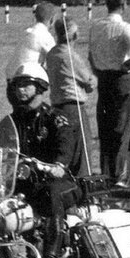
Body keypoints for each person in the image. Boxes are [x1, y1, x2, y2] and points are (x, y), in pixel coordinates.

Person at [0, 61, 81, 258]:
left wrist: (59, 165)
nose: (21, 90)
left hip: (59, 182)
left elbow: (66, 146)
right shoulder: (11, 121)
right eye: (18, 85)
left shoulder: (56, 118)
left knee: (51, 194)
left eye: (27, 85)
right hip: (25, 182)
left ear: (40, 87)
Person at [87, 0, 130, 188]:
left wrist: (96, 70)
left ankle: (106, 171)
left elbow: (90, 55)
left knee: (105, 125)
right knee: (122, 126)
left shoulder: (96, 26)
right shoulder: (125, 27)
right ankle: (117, 173)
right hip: (122, 78)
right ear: (123, 6)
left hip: (104, 77)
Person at [44, 14, 96, 176]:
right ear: (74, 35)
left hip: (56, 107)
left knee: (65, 150)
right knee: (81, 154)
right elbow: (89, 82)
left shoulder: (51, 54)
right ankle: (83, 185)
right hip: (73, 107)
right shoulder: (71, 56)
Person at [4, 2, 57, 81]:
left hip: (11, 77)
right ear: (52, 19)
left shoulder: (27, 32)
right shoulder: (44, 36)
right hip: (26, 79)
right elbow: (57, 58)